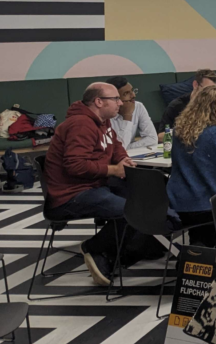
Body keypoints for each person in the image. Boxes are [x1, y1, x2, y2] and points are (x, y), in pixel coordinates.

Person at [43, 83, 154, 286]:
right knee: (131, 210)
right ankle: (96, 248)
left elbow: (116, 146)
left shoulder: (103, 121)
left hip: (93, 186)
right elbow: (75, 166)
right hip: (70, 195)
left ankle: (129, 250)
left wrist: (123, 160)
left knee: (143, 197)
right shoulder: (80, 124)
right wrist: (114, 169)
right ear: (99, 101)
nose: (121, 103)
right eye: (116, 99)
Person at [168, 86, 216, 247]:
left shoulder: (178, 131)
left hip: (178, 203)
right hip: (209, 204)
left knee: (199, 237)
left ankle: (193, 259)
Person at [106, 76, 157, 150]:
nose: (133, 95)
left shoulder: (138, 106)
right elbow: (116, 149)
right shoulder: (105, 113)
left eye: (132, 91)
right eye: (126, 93)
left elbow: (152, 139)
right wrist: (127, 116)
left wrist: (127, 147)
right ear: (114, 98)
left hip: (130, 154)